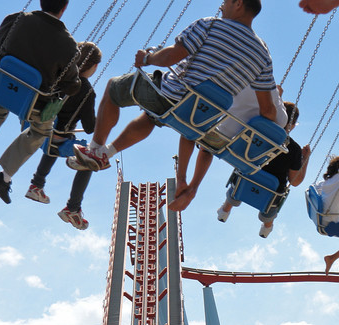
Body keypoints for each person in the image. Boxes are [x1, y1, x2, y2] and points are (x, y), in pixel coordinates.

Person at [68, 0, 277, 173]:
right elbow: (267, 110)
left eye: (224, 2)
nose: (221, 6)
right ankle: (106, 154)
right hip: (200, 118)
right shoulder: (263, 55)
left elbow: (171, 56)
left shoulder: (211, 25)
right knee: (151, 116)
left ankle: (95, 148)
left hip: (171, 97)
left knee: (113, 87)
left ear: (238, 3)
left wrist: (147, 58)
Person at [0, 0, 80, 205]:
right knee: (41, 131)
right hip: (34, 101)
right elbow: (71, 85)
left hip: (3, 85)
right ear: (64, 8)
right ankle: (4, 177)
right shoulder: (69, 45)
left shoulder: (17, 19)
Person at [168, 83, 287, 211]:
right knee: (207, 145)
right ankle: (193, 187)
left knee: (191, 126)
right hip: (245, 153)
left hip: (222, 136)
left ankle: (182, 179)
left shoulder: (244, 81)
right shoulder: (282, 116)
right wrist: (278, 97)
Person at [23, 42, 101, 230]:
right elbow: (90, 128)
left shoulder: (56, 74)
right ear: (91, 66)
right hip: (58, 140)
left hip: (36, 128)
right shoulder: (86, 92)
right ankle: (73, 208)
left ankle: (36, 185)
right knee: (90, 159)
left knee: (53, 134)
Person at [215, 101, 312, 238]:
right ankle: (267, 226)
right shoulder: (294, 149)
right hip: (271, 193)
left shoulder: (258, 132)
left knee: (242, 177)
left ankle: (225, 210)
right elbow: (295, 181)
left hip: (247, 179)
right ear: (291, 125)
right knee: (274, 201)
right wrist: (305, 159)